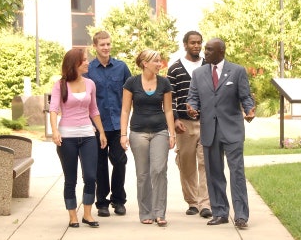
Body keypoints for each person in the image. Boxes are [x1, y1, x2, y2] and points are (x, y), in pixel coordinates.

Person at [186, 38, 255, 229]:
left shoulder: (237, 71)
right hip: (210, 130)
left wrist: (249, 111)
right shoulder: (198, 73)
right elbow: (193, 97)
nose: (204, 52)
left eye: (209, 50)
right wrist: (192, 108)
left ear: (221, 52)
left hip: (232, 130)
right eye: (205, 49)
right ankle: (220, 212)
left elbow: (245, 97)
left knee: (237, 173)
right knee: (214, 174)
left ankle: (241, 215)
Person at [49, 48, 107, 228]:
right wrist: (55, 131)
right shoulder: (60, 84)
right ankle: (72, 216)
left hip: (88, 135)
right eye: (83, 60)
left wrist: (102, 132)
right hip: (67, 137)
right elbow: (53, 109)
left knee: (90, 176)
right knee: (70, 179)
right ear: (74, 64)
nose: (87, 62)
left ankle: (88, 215)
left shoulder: (90, 84)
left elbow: (94, 110)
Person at [120, 49, 176, 227]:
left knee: (159, 171)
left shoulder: (164, 83)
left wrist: (172, 133)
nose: (160, 64)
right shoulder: (132, 82)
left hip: (160, 131)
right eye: (156, 61)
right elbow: (125, 110)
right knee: (143, 174)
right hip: (138, 133)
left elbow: (168, 110)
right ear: (145, 63)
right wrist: (123, 134)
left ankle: (159, 212)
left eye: (160, 61)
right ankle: (146, 212)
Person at [83, 31, 132, 217]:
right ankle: (102, 202)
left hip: (118, 125)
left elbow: (131, 93)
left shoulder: (121, 67)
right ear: (94, 46)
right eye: (102, 44)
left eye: (108, 44)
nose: (105, 47)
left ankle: (118, 200)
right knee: (99, 165)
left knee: (120, 162)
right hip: (96, 126)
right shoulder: (88, 70)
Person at [167, 31, 212, 218]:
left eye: (199, 43)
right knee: (186, 164)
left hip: (207, 122)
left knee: (206, 163)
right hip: (184, 124)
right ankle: (192, 202)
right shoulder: (175, 68)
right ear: (185, 44)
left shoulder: (208, 66)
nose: (196, 46)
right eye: (192, 43)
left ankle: (205, 204)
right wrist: (175, 119)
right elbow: (171, 98)